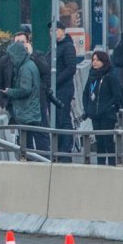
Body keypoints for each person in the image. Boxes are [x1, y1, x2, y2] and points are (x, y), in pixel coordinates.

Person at [1, 41, 47, 156]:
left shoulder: (25, 68)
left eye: (12, 56)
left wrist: (10, 91)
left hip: (27, 110)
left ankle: (33, 162)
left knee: (27, 143)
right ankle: (40, 161)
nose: (11, 60)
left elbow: (25, 90)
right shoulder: (29, 65)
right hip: (30, 109)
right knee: (35, 139)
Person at [82, 50, 123, 165]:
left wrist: (105, 108)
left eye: (97, 60)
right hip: (95, 115)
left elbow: (117, 95)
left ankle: (111, 164)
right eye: (93, 60)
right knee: (99, 142)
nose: (94, 62)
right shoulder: (92, 76)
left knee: (108, 141)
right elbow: (86, 93)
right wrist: (88, 109)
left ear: (104, 61)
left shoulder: (110, 75)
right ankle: (100, 164)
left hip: (107, 115)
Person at [53, 24, 78, 162]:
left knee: (63, 119)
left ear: (63, 31)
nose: (53, 33)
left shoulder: (67, 46)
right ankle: (59, 150)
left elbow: (71, 68)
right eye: (51, 31)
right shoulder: (56, 47)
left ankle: (65, 150)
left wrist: (54, 82)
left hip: (63, 88)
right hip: (57, 89)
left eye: (55, 30)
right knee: (57, 119)